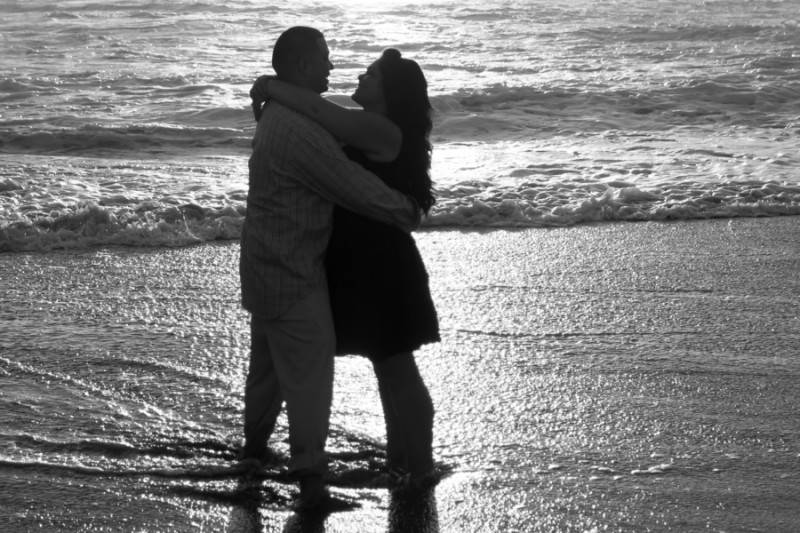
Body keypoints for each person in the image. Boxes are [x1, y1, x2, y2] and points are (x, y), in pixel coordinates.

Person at [239, 26, 421, 510]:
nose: (332, 67)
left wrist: (268, 86)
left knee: (268, 375)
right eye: (323, 58)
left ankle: (252, 455)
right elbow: (351, 186)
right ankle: (311, 481)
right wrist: (405, 209)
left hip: (264, 264)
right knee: (308, 376)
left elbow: (330, 125)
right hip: (292, 269)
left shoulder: (283, 112)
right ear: (301, 66)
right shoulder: (297, 128)